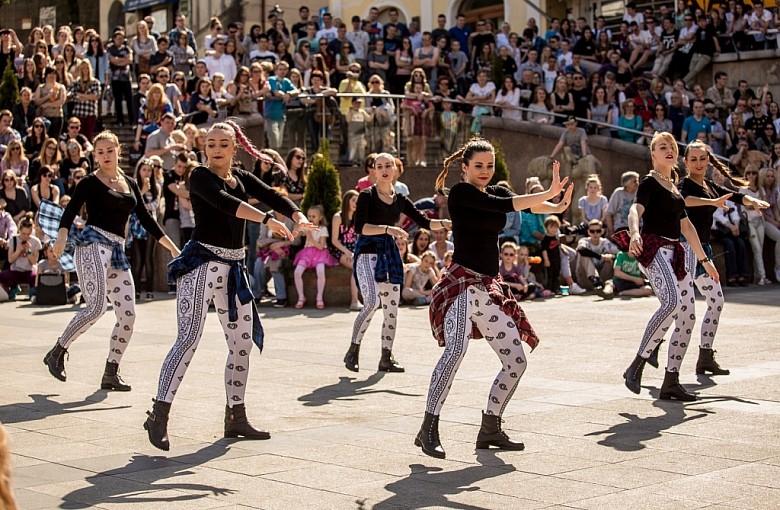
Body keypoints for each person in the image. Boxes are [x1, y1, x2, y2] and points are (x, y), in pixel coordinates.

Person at [144, 120, 314, 451]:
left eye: (223, 144)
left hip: (233, 268)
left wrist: (298, 216)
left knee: (242, 342)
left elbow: (271, 195)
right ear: (204, 148)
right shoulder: (200, 177)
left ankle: (235, 416)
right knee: (188, 339)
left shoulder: (242, 178)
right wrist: (266, 220)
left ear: (234, 148)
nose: (217, 149)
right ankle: (159, 416)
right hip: (201, 264)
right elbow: (224, 203)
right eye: (211, 144)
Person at [416, 139, 572, 459]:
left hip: (487, 287)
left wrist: (555, 206)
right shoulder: (461, 193)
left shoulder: (496, 193)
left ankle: (490, 428)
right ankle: (428, 428)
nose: (485, 171)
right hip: (461, 285)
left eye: (489, 166)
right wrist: (548, 192)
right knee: (455, 352)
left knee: (516, 361)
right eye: (478, 166)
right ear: (465, 168)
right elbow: (510, 206)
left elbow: (522, 203)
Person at [45, 131, 180, 389]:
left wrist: (173, 248)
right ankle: (57, 351)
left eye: (110, 150)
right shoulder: (89, 182)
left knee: (128, 316)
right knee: (95, 307)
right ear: (95, 156)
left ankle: (111, 372)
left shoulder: (130, 183)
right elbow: (71, 210)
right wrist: (62, 237)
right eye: (100, 152)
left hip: (117, 251)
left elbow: (147, 219)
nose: (106, 155)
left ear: (119, 151)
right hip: (92, 246)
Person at [620, 132, 720, 402]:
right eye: (662, 147)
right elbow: (634, 210)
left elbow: (686, 227)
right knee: (673, 303)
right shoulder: (650, 182)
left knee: (687, 316)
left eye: (672, 147)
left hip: (677, 253)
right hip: (654, 250)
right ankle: (637, 363)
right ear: (653, 154)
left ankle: (671, 381)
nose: (669, 150)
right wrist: (634, 233)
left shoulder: (674, 187)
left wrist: (705, 260)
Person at [343, 153, 451, 373]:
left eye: (388, 165)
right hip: (366, 253)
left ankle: (386, 357)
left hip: (388, 256)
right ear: (373, 170)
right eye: (379, 166)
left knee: (392, 308)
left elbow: (425, 222)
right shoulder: (367, 195)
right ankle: (353, 350)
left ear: (395, 170)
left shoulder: (400, 199)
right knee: (372, 302)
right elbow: (360, 227)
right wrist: (388, 229)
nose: (383, 169)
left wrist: (447, 223)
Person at [293, 205, 336, 309]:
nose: (311, 218)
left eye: (313, 216)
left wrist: (310, 237)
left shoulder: (322, 229)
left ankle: (319, 297)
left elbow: (321, 247)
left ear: (320, 217)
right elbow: (296, 234)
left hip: (319, 253)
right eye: (309, 216)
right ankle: (301, 297)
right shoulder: (307, 227)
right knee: (297, 272)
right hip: (307, 253)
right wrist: (299, 227)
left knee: (320, 270)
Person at [740, 166, 771, 285]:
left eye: (754, 173)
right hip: (750, 222)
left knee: (760, 249)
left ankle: (758, 276)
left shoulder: (760, 188)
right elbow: (746, 206)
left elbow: (765, 204)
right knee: (756, 249)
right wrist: (757, 204)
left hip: (760, 221)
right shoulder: (743, 189)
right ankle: (762, 276)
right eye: (748, 173)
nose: (751, 175)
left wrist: (755, 204)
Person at [0, 215, 41, 300]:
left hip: (29, 271)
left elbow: (34, 262)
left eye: (28, 234)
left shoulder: (35, 241)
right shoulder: (13, 239)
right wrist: (18, 250)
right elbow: (10, 259)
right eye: (23, 234)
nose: (26, 236)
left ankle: (33, 291)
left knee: (37, 276)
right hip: (15, 270)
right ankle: (12, 288)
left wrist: (28, 251)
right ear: (19, 230)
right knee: (2, 276)